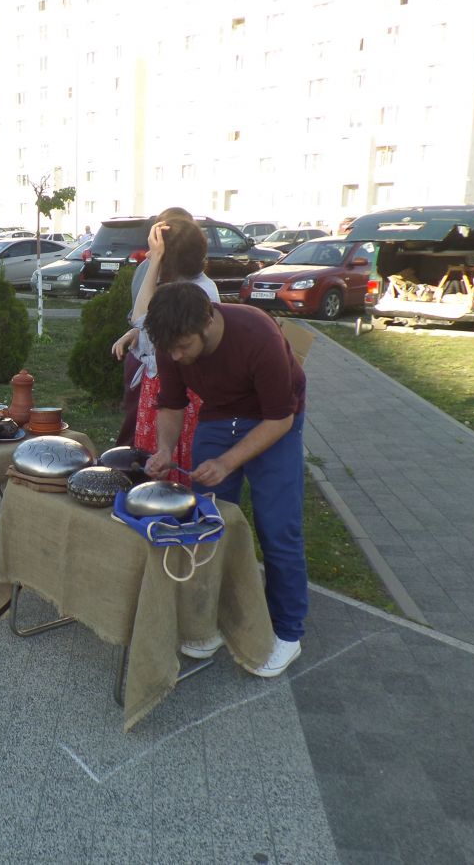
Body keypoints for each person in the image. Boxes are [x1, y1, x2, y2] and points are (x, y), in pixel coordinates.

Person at [144, 282, 309, 678]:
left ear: (207, 322)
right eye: (170, 350)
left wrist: (227, 462)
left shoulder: (258, 334)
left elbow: (280, 419)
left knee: (277, 525)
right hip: (220, 414)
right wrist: (164, 449)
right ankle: (208, 619)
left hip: (274, 418)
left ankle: (287, 631)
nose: (176, 356)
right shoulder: (172, 340)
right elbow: (172, 403)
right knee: (206, 521)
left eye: (183, 347)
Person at [111, 214, 219, 473]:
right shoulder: (179, 285)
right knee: (154, 459)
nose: (148, 255)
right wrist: (134, 334)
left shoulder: (196, 292)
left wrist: (156, 260)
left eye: (155, 250)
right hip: (163, 385)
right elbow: (145, 325)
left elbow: (141, 317)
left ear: (172, 258)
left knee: (173, 460)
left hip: (179, 391)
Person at [116, 207, 192, 447]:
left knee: (165, 435)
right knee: (136, 427)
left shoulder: (191, 279)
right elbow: (140, 317)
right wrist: (134, 331)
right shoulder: (146, 268)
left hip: (170, 365)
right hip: (146, 362)